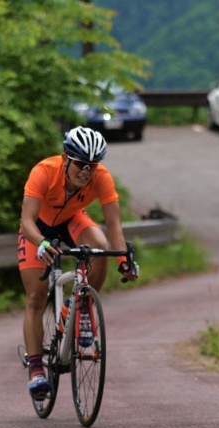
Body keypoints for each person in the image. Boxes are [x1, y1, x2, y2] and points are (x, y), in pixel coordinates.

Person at [18, 126, 140, 399]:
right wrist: (41, 243)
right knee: (36, 299)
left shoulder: (102, 179)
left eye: (93, 166)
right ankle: (37, 371)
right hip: (37, 229)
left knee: (100, 246)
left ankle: (82, 306)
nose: (86, 171)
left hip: (71, 220)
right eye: (81, 164)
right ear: (66, 159)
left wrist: (123, 261)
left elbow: (114, 224)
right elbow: (26, 221)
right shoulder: (44, 171)